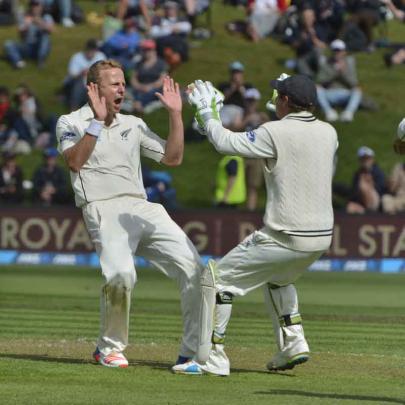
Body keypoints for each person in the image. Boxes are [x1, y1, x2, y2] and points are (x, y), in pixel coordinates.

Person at [173, 74, 338, 376]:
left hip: (284, 235)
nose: (274, 99)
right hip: (321, 239)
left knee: (217, 280)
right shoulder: (329, 132)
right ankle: (293, 343)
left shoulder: (273, 131)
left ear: (286, 100)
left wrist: (208, 114)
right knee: (278, 280)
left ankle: (212, 358)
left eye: (279, 96)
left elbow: (225, 143)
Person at [56, 60, 202, 368]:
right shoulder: (70, 122)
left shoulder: (133, 124)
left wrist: (176, 115)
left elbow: (172, 158)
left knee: (194, 268)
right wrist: (96, 122)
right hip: (102, 206)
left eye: (123, 83)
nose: (122, 88)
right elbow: (74, 163)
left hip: (141, 206)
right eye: (114, 84)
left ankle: (192, 351)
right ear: (94, 89)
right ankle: (109, 348)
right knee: (121, 274)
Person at [316, 39, 362, 122]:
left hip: (345, 93)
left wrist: (343, 73)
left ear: (344, 51)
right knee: (317, 89)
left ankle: (348, 113)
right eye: (335, 50)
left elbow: (354, 83)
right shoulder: (326, 62)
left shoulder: (349, 62)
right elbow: (320, 81)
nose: (337, 53)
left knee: (357, 90)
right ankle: (328, 112)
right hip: (329, 93)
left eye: (339, 50)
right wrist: (334, 73)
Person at [4, 0, 54, 69]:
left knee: (45, 37)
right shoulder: (26, 17)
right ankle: (18, 62)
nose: (34, 7)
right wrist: (26, 26)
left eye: (37, 4)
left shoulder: (46, 17)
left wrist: (39, 22)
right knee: (8, 44)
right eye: (32, 5)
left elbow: (50, 30)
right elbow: (21, 36)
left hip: (39, 48)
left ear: (41, 6)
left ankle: (41, 61)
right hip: (27, 46)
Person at [63, 39, 106, 110]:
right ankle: (74, 107)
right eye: (89, 50)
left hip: (94, 81)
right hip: (77, 81)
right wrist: (82, 73)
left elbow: (104, 71)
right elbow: (72, 75)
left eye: (93, 50)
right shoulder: (77, 57)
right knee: (79, 84)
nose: (91, 52)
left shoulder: (100, 56)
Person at [346, 146, 386, 214]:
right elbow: (354, 192)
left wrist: (370, 184)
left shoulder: (378, 173)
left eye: (367, 158)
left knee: (364, 186)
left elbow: (381, 189)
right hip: (361, 203)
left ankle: (369, 213)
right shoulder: (357, 175)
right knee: (350, 207)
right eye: (363, 159)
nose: (365, 161)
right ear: (360, 161)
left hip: (375, 203)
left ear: (372, 159)